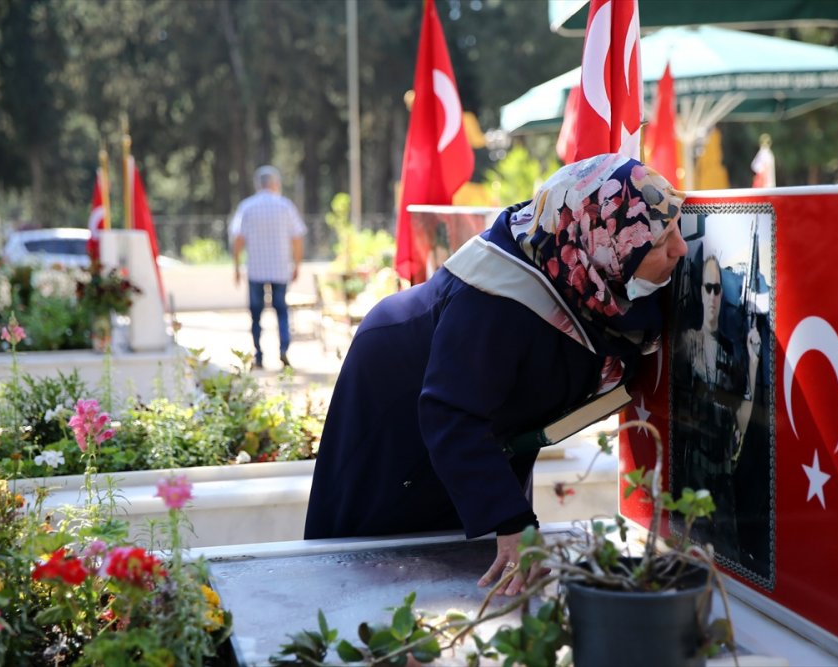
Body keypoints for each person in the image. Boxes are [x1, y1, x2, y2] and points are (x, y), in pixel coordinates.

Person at [304, 154, 688, 596]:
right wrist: (512, 523)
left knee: (477, 552)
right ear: (604, 244)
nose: (680, 248)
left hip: (478, 418)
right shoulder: (495, 301)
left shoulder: (580, 264)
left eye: (676, 229)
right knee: (385, 567)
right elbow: (452, 413)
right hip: (400, 402)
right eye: (660, 242)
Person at [672, 255, 761, 561]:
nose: (712, 296)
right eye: (707, 288)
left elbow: (742, 424)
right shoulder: (685, 343)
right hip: (691, 481)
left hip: (722, 486)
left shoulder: (730, 353)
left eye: (717, 289)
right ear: (699, 290)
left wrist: (751, 362)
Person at [230, 166, 306, 370]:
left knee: (256, 314)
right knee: (282, 310)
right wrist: (297, 264)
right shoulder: (285, 206)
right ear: (274, 183)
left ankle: (259, 355)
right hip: (280, 268)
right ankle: (283, 349)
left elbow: (238, 238)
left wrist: (236, 266)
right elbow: (297, 237)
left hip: (255, 269)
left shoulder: (247, 206)